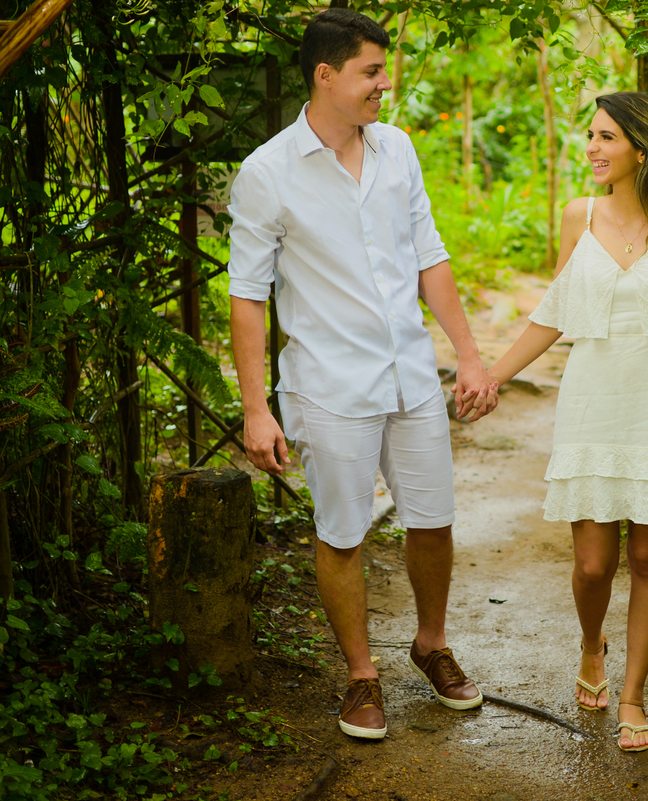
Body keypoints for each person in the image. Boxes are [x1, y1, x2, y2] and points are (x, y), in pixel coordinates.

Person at [227, 8, 498, 741]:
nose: (385, 84)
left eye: (384, 70)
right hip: (329, 383)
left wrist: (469, 355)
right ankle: (360, 675)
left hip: (410, 373)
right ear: (326, 75)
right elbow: (247, 296)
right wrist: (256, 408)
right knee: (342, 532)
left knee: (433, 520)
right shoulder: (267, 172)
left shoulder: (397, 149)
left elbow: (429, 256)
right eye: (371, 72)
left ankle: (431, 645)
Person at [489, 92, 648, 752]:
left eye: (607, 137)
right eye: (592, 136)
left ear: (642, 148)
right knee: (594, 564)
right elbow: (554, 311)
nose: (593, 148)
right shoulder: (578, 215)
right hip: (593, 399)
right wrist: (493, 374)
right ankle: (590, 643)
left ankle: (632, 695)